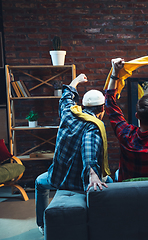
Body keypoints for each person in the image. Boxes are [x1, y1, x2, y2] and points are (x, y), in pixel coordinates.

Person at [35, 74, 111, 235]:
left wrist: (76, 81)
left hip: (57, 178)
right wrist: (92, 173)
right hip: (79, 183)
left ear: (83, 105)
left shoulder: (69, 113)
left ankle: (42, 225)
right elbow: (88, 148)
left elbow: (66, 97)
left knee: (39, 183)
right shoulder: (93, 126)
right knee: (111, 181)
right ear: (102, 109)